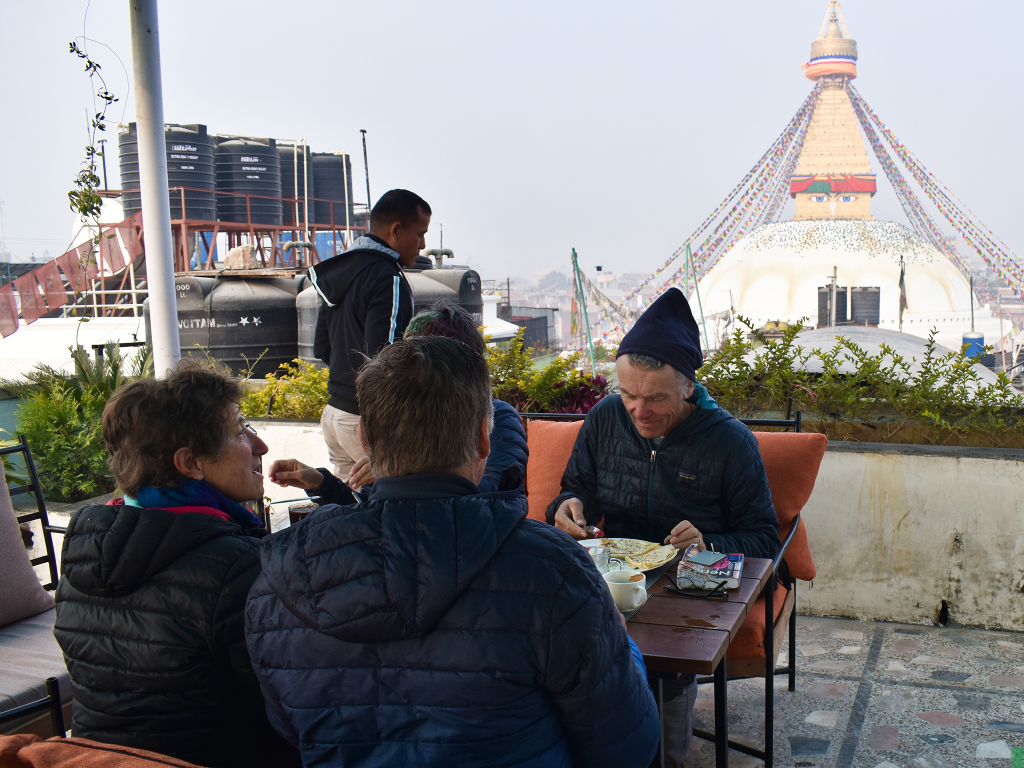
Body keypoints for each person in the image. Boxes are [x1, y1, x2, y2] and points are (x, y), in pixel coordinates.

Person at [246, 337, 660, 768]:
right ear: (484, 438)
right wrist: (621, 643)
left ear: (365, 440)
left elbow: (287, 732)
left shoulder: (277, 581)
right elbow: (627, 746)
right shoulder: (551, 571)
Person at [545, 287, 780, 767]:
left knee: (665, 670)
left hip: (691, 585)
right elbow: (577, 487)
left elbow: (763, 539)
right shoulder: (606, 418)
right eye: (628, 394)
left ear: (689, 388)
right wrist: (568, 505)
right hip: (616, 572)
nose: (638, 410)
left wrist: (708, 542)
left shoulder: (730, 443)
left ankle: (663, 756)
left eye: (655, 398)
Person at [53, 361, 299, 768]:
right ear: (190, 464)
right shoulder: (234, 566)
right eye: (240, 431)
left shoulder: (84, 544)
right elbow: (290, 709)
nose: (260, 447)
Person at [268, 300, 529, 501]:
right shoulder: (403, 414)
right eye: (409, 355)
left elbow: (491, 492)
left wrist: (394, 476)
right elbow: (371, 511)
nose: (415, 368)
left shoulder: (500, 417)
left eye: (431, 359)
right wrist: (322, 484)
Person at [310, 188, 431, 482]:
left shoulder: (338, 272)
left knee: (348, 511)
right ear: (396, 230)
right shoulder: (388, 278)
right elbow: (386, 358)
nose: (423, 245)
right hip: (365, 421)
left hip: (334, 415)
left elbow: (321, 348)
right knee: (401, 500)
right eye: (420, 234)